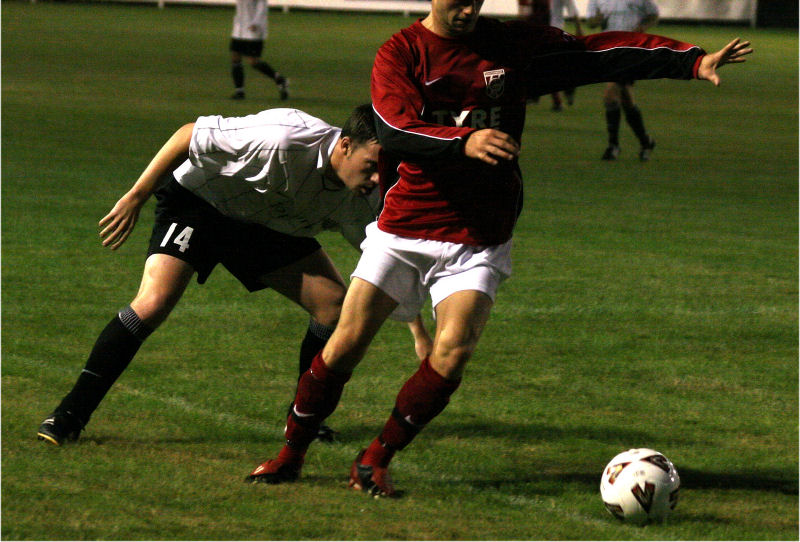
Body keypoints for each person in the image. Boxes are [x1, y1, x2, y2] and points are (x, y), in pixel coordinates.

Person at [245, 0, 751, 497]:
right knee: (345, 345)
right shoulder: (400, 53)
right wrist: (461, 140)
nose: (467, 10)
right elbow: (395, 127)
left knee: (453, 352)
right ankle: (291, 454)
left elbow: (594, 54)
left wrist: (689, 60)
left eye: (476, 0)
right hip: (405, 227)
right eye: (457, 1)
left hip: (478, 234)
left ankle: (376, 457)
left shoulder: (508, 44)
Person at [37, 104, 433, 446]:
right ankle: (69, 415)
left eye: (384, 168)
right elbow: (188, 135)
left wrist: (419, 333)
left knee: (333, 306)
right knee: (154, 302)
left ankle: (304, 419)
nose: (378, 178)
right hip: (201, 203)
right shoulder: (283, 138)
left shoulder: (360, 199)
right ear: (345, 145)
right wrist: (136, 195)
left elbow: (385, 262)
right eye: (371, 165)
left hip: (264, 222)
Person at [586, 0, 660, 160]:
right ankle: (646, 141)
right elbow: (591, 23)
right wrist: (597, 20)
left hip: (631, 50)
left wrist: (642, 28)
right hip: (608, 52)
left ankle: (613, 146)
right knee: (627, 100)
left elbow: (653, 14)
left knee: (610, 96)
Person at [519, 0, 584, 111]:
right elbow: (526, 13)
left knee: (549, 66)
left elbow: (572, 10)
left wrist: (579, 28)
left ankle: (565, 91)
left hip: (554, 34)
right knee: (543, 65)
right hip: (539, 33)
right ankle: (555, 97)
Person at [229, 0, 289, 101]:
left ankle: (279, 79)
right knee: (235, 56)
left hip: (253, 30)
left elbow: (262, 7)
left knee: (253, 61)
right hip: (238, 29)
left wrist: (256, 22)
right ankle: (239, 91)